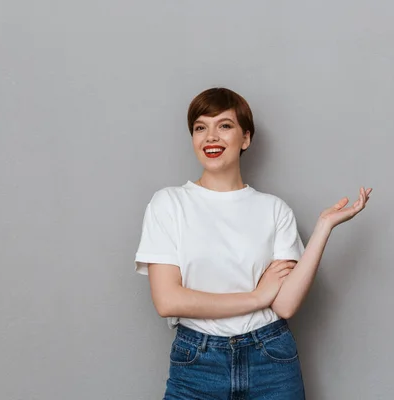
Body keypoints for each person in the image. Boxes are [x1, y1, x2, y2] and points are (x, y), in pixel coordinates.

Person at [134, 87, 372, 399]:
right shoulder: (168, 204)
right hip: (197, 363)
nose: (211, 137)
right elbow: (168, 301)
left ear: (245, 138)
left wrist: (324, 227)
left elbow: (285, 304)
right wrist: (257, 297)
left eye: (225, 125)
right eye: (200, 127)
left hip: (271, 359)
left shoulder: (274, 209)